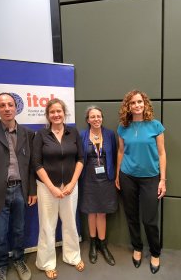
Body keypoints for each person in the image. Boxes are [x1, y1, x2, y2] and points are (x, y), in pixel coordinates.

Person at [0, 92, 37, 280]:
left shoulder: (27, 133)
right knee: (0, 234)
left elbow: (30, 165)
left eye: (10, 105)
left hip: (21, 190)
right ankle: (1, 265)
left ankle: (19, 260)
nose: (7, 108)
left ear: (16, 107)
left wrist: (32, 190)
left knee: (19, 229)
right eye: (2, 105)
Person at [32, 98, 85, 280]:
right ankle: (46, 262)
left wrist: (71, 184)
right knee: (47, 225)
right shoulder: (41, 135)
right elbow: (37, 163)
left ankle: (73, 256)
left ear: (64, 113)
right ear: (48, 115)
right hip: (47, 188)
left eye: (59, 111)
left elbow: (80, 159)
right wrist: (52, 188)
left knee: (70, 223)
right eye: (52, 112)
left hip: (70, 186)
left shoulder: (73, 132)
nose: (56, 115)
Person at [115, 90, 167, 274]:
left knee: (149, 219)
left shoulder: (156, 126)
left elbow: (162, 153)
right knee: (132, 215)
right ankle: (137, 248)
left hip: (151, 178)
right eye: (133, 103)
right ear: (128, 107)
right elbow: (121, 152)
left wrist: (162, 180)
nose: (137, 105)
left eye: (139, 102)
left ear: (144, 103)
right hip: (127, 176)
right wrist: (117, 175)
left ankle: (155, 252)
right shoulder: (123, 127)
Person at [79, 106, 117, 265]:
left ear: (102, 118)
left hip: (106, 179)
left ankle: (103, 245)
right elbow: (79, 157)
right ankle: (93, 244)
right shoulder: (81, 135)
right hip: (88, 179)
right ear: (88, 120)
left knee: (102, 212)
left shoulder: (109, 134)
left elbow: (114, 154)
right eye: (92, 117)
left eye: (99, 116)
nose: (96, 119)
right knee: (91, 212)